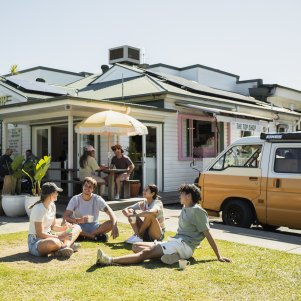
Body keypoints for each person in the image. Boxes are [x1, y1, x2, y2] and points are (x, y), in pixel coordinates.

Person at [96, 184, 233, 266]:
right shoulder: (186, 208)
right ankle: (173, 257)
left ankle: (110, 260)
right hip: (176, 242)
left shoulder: (198, 211)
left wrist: (218, 256)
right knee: (135, 246)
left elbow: (207, 233)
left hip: (183, 245)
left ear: (189, 196)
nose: (179, 196)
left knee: (146, 253)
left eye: (182, 194)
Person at [28, 182, 82, 257]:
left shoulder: (52, 205)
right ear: (51, 194)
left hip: (50, 236)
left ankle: (65, 247)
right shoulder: (38, 208)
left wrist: (65, 228)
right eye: (56, 192)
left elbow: (53, 226)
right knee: (54, 242)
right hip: (36, 242)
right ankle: (66, 245)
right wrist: (60, 237)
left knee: (76, 227)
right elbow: (40, 234)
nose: (57, 194)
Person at [63, 177, 119, 241]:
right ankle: (94, 237)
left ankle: (85, 236)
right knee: (65, 223)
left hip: (94, 227)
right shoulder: (75, 199)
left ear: (93, 189)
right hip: (78, 226)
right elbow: (65, 217)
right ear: (83, 186)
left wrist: (115, 225)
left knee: (111, 222)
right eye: (86, 185)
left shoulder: (97, 199)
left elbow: (111, 213)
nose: (87, 188)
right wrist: (79, 220)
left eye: (90, 187)